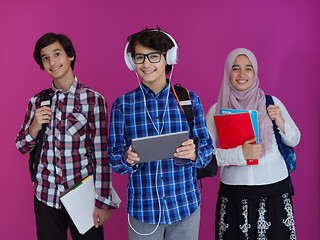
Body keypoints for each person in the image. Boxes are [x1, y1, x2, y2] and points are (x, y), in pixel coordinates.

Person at [107, 28, 213, 240]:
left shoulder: (189, 100)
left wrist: (194, 154)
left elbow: (207, 151)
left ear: (168, 58)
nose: (147, 64)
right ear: (132, 62)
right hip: (143, 211)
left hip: (185, 207)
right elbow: (113, 159)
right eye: (140, 57)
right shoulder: (122, 105)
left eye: (154, 56)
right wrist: (125, 158)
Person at [16, 32, 119, 240]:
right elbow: (21, 146)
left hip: (84, 199)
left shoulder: (92, 100)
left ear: (70, 56)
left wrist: (102, 202)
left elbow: (101, 156)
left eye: (57, 54)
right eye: (46, 58)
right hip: (46, 197)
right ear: (42, 64)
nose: (52, 62)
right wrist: (34, 127)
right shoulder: (37, 101)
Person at [206, 48, 301, 239]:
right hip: (234, 193)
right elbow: (207, 155)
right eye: (236, 68)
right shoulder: (216, 110)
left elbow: (295, 139)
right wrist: (241, 154)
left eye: (248, 68)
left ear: (255, 72)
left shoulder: (271, 102)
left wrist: (281, 122)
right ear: (227, 72)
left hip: (274, 190)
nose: (242, 74)